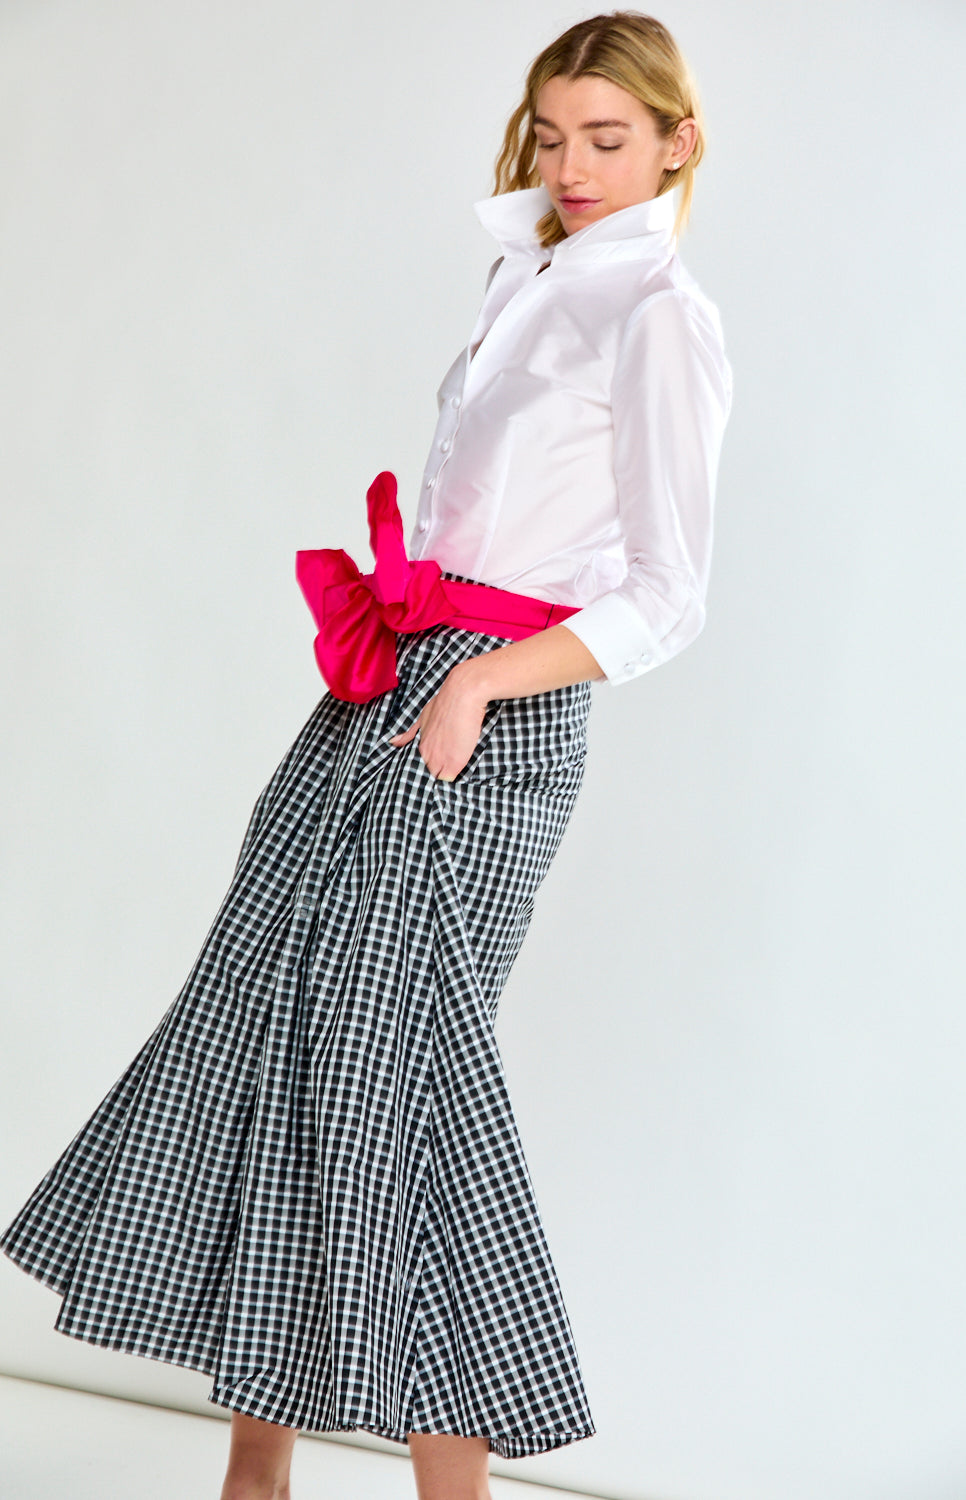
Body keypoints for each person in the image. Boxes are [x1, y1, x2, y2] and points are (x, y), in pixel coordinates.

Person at [0, 11, 732, 1500]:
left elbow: (670, 595)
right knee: (271, 1028)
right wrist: (416, 672)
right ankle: (252, 1476)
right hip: (386, 682)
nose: (573, 164)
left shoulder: (659, 313)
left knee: (398, 1084)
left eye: (607, 138)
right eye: (552, 131)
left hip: (490, 714)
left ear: (675, 142)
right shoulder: (523, 273)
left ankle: (438, 1488)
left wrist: (479, 691)